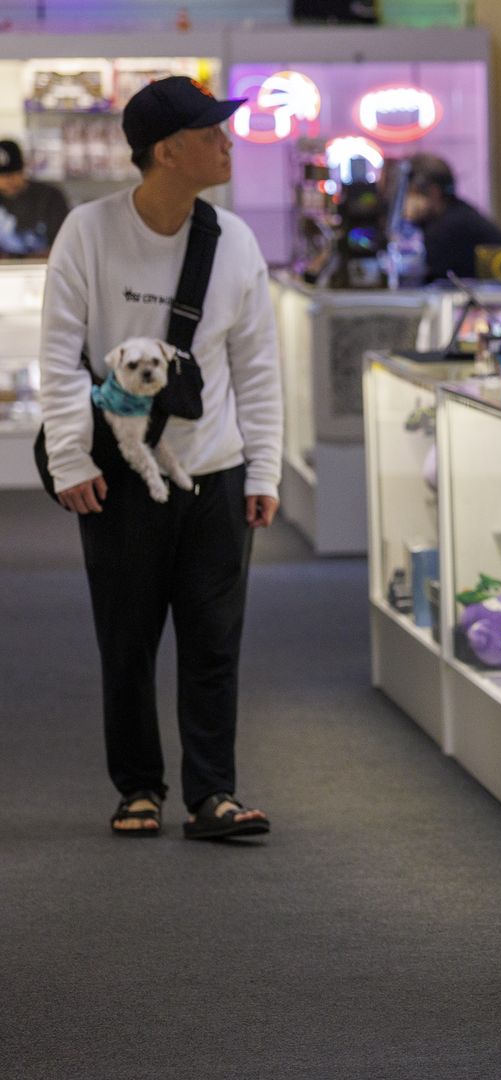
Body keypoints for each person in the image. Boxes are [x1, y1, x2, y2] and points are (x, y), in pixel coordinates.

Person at [37, 76, 281, 839]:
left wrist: (265, 468)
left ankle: (213, 794)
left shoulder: (233, 240)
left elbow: (258, 367)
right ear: (168, 151)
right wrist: (72, 457)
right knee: (127, 637)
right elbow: (57, 354)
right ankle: (137, 787)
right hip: (117, 470)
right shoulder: (88, 231)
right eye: (214, 132)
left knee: (214, 638)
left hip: (215, 468)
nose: (228, 143)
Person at [404, 152, 501, 283]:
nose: (406, 203)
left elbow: (432, 283)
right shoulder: (456, 213)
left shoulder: (447, 228)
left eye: (410, 193)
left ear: (434, 192)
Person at [0, 138, 69, 256]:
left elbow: (65, 243)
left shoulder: (50, 197)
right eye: (3, 176)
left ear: (23, 169)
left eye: (14, 173)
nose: (9, 181)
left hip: (43, 269)